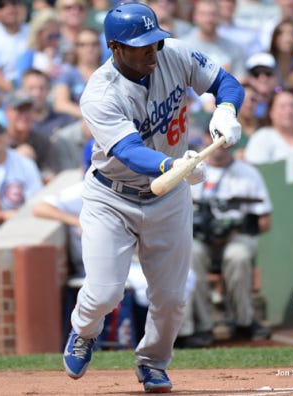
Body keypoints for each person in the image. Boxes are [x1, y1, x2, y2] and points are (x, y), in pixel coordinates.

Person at [62, 3, 243, 394]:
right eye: (140, 45)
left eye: (154, 41)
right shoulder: (99, 93)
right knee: (105, 291)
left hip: (168, 197)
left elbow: (226, 82)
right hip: (112, 197)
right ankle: (82, 330)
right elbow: (128, 152)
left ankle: (153, 363)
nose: (152, 51)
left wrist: (226, 110)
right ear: (114, 46)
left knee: (172, 296)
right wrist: (173, 166)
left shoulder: (172, 53)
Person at [176, 130, 272, 348]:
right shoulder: (191, 168)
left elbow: (266, 221)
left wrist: (237, 225)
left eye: (222, 138)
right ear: (204, 139)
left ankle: (243, 321)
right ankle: (203, 326)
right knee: (192, 254)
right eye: (212, 136)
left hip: (236, 238)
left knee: (237, 255)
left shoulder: (248, 172)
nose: (217, 143)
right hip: (199, 238)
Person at [3, 89, 59, 183]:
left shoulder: (42, 141)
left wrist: (30, 166)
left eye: (28, 109)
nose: (24, 115)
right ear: (7, 112)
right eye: (20, 109)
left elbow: (50, 175)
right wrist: (16, 159)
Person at [53, 27, 103, 119]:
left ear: (100, 47)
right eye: (83, 45)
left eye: (94, 44)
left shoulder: (109, 73)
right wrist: (90, 117)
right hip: (77, 125)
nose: (89, 48)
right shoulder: (68, 74)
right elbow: (60, 104)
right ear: (76, 48)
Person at [20, 68, 77, 138]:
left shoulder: (65, 120)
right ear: (22, 90)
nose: (37, 93)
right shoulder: (20, 124)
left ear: (48, 89)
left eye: (41, 88)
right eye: (31, 88)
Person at [15, 8, 64, 87]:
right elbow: (21, 83)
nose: (54, 40)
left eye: (57, 36)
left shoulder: (64, 54)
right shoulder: (29, 56)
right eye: (50, 36)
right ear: (38, 34)